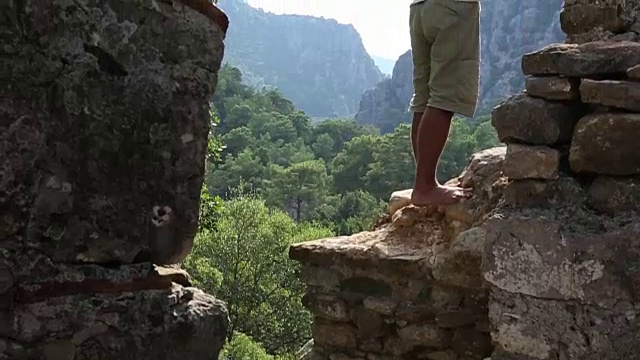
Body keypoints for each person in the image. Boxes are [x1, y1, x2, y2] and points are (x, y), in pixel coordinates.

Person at [408, 0, 480, 206]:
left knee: (424, 97)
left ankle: (423, 181)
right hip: (453, 7)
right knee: (444, 97)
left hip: (420, 7)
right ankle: (425, 186)